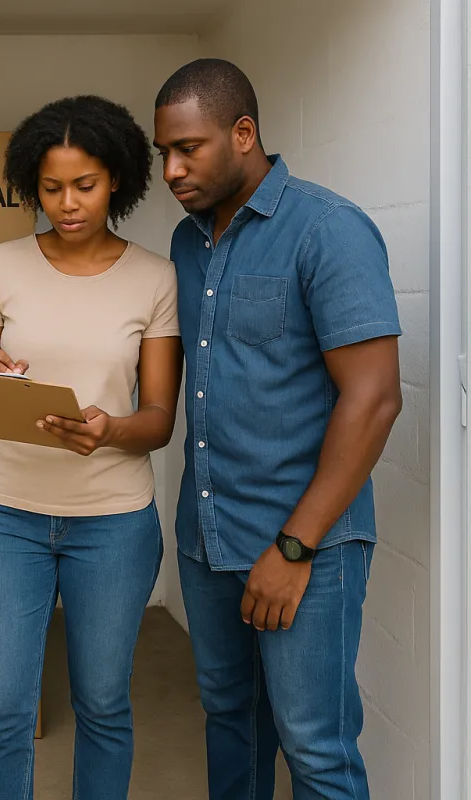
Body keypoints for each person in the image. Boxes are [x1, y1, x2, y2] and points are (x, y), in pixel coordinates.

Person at [152, 58, 403, 800]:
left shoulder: (328, 229)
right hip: (207, 537)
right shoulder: (187, 242)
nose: (171, 170)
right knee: (230, 721)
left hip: (305, 545)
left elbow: (375, 398)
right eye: (163, 152)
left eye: (187, 149)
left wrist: (294, 547)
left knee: (314, 748)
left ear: (243, 133)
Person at [0, 95, 184, 800]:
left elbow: (159, 420)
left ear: (116, 178)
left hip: (114, 523)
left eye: (84, 185)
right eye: (51, 188)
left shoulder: (154, 277)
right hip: (8, 516)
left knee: (104, 704)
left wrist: (109, 429)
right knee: (1, 708)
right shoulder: (1, 264)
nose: (67, 204)